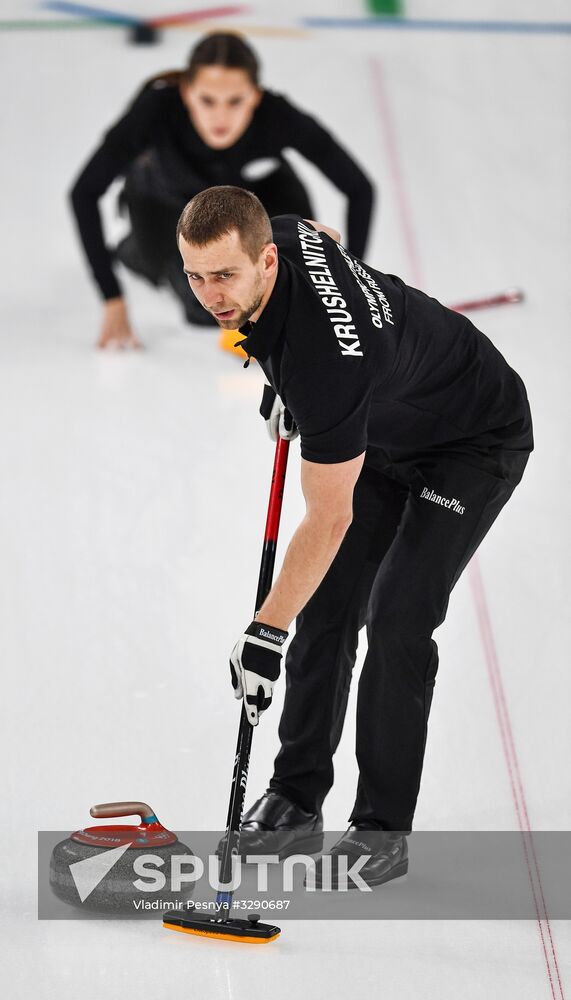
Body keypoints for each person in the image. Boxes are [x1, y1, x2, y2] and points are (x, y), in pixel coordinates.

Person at [176, 185, 533, 889]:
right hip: (379, 427)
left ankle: (380, 831)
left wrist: (261, 635)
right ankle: (295, 797)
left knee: (397, 616)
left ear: (266, 261)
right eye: (195, 275)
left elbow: (328, 517)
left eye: (225, 276)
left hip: (470, 441)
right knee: (328, 605)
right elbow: (325, 233)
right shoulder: (278, 231)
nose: (209, 294)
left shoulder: (326, 367)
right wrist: (283, 384)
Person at [69, 32, 374, 349]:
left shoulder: (277, 116)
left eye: (235, 101)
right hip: (165, 201)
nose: (221, 116)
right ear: (187, 93)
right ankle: (132, 252)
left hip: (253, 195)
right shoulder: (156, 111)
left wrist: (346, 286)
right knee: (202, 306)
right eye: (207, 100)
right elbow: (84, 192)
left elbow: (359, 188)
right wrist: (112, 297)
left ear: (255, 97)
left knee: (295, 274)